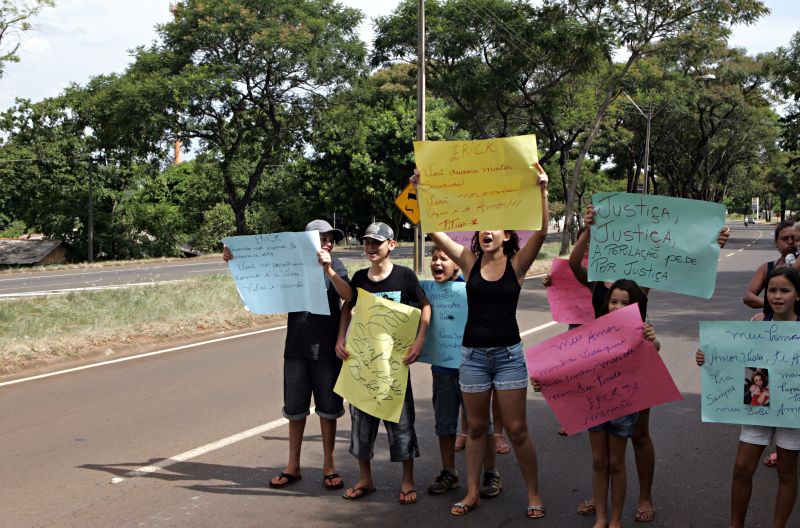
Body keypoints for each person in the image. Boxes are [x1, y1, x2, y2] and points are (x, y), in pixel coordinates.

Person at [568, 203, 730, 522]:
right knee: (603, 452)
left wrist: (713, 244)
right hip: (602, 373)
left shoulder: (638, 283)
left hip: (637, 368)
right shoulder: (596, 283)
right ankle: (601, 498)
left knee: (639, 435)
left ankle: (644, 496)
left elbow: (682, 262)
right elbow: (574, 262)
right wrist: (587, 230)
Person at [413, 162, 550, 519]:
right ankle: (472, 493)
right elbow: (435, 230)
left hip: (507, 356)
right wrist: (421, 191)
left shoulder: (518, 265)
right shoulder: (469, 262)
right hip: (472, 357)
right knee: (475, 428)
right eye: (481, 227)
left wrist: (542, 190)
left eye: (494, 228)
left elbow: (542, 228)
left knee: (517, 430)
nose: (485, 231)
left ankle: (533, 494)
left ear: (506, 235)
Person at [222, 219, 352, 491]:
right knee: (295, 410)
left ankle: (329, 465)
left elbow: (348, 296)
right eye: (322, 239)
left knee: (328, 411)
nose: (328, 243)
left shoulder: (335, 266)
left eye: (330, 239)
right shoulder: (291, 265)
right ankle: (293, 466)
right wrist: (234, 259)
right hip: (295, 349)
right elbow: (260, 272)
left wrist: (328, 270)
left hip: (326, 351)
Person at [533, 279, 660, 528]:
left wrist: (650, 338)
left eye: (625, 303)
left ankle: (615, 519)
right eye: (613, 301)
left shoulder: (640, 330)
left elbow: (654, 347)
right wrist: (544, 381)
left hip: (623, 406)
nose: (617, 306)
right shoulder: (593, 330)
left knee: (616, 462)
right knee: (599, 460)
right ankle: (601, 518)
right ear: (605, 303)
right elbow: (570, 364)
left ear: (636, 306)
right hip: (595, 404)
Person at [696, 266, 800, 528]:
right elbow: (737, 358)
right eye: (772, 290)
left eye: (785, 290)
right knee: (742, 467)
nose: (777, 296)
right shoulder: (757, 323)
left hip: (793, 407)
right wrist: (708, 358)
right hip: (759, 401)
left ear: (797, 295)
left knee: (787, 471)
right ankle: (736, 525)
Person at [336, 222, 431, 505]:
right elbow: (347, 307)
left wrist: (419, 341)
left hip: (395, 369)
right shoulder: (359, 278)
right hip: (363, 366)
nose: (370, 248)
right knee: (360, 426)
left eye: (376, 243)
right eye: (367, 242)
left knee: (402, 425)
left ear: (391, 245)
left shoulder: (404, 276)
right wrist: (341, 336)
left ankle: (407, 480)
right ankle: (365, 478)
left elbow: (425, 305)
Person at [426, 246, 499, 497]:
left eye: (443, 258)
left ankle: (490, 473)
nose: (437, 262)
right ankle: (449, 472)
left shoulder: (470, 288)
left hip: (473, 368)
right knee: (444, 424)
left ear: (457, 264)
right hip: (442, 369)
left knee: (480, 424)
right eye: (433, 258)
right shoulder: (428, 292)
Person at [744, 220, 796, 316]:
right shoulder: (766, 268)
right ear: (776, 242)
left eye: (794, 238)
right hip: (773, 327)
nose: (790, 242)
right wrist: (771, 304)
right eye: (785, 238)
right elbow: (748, 296)